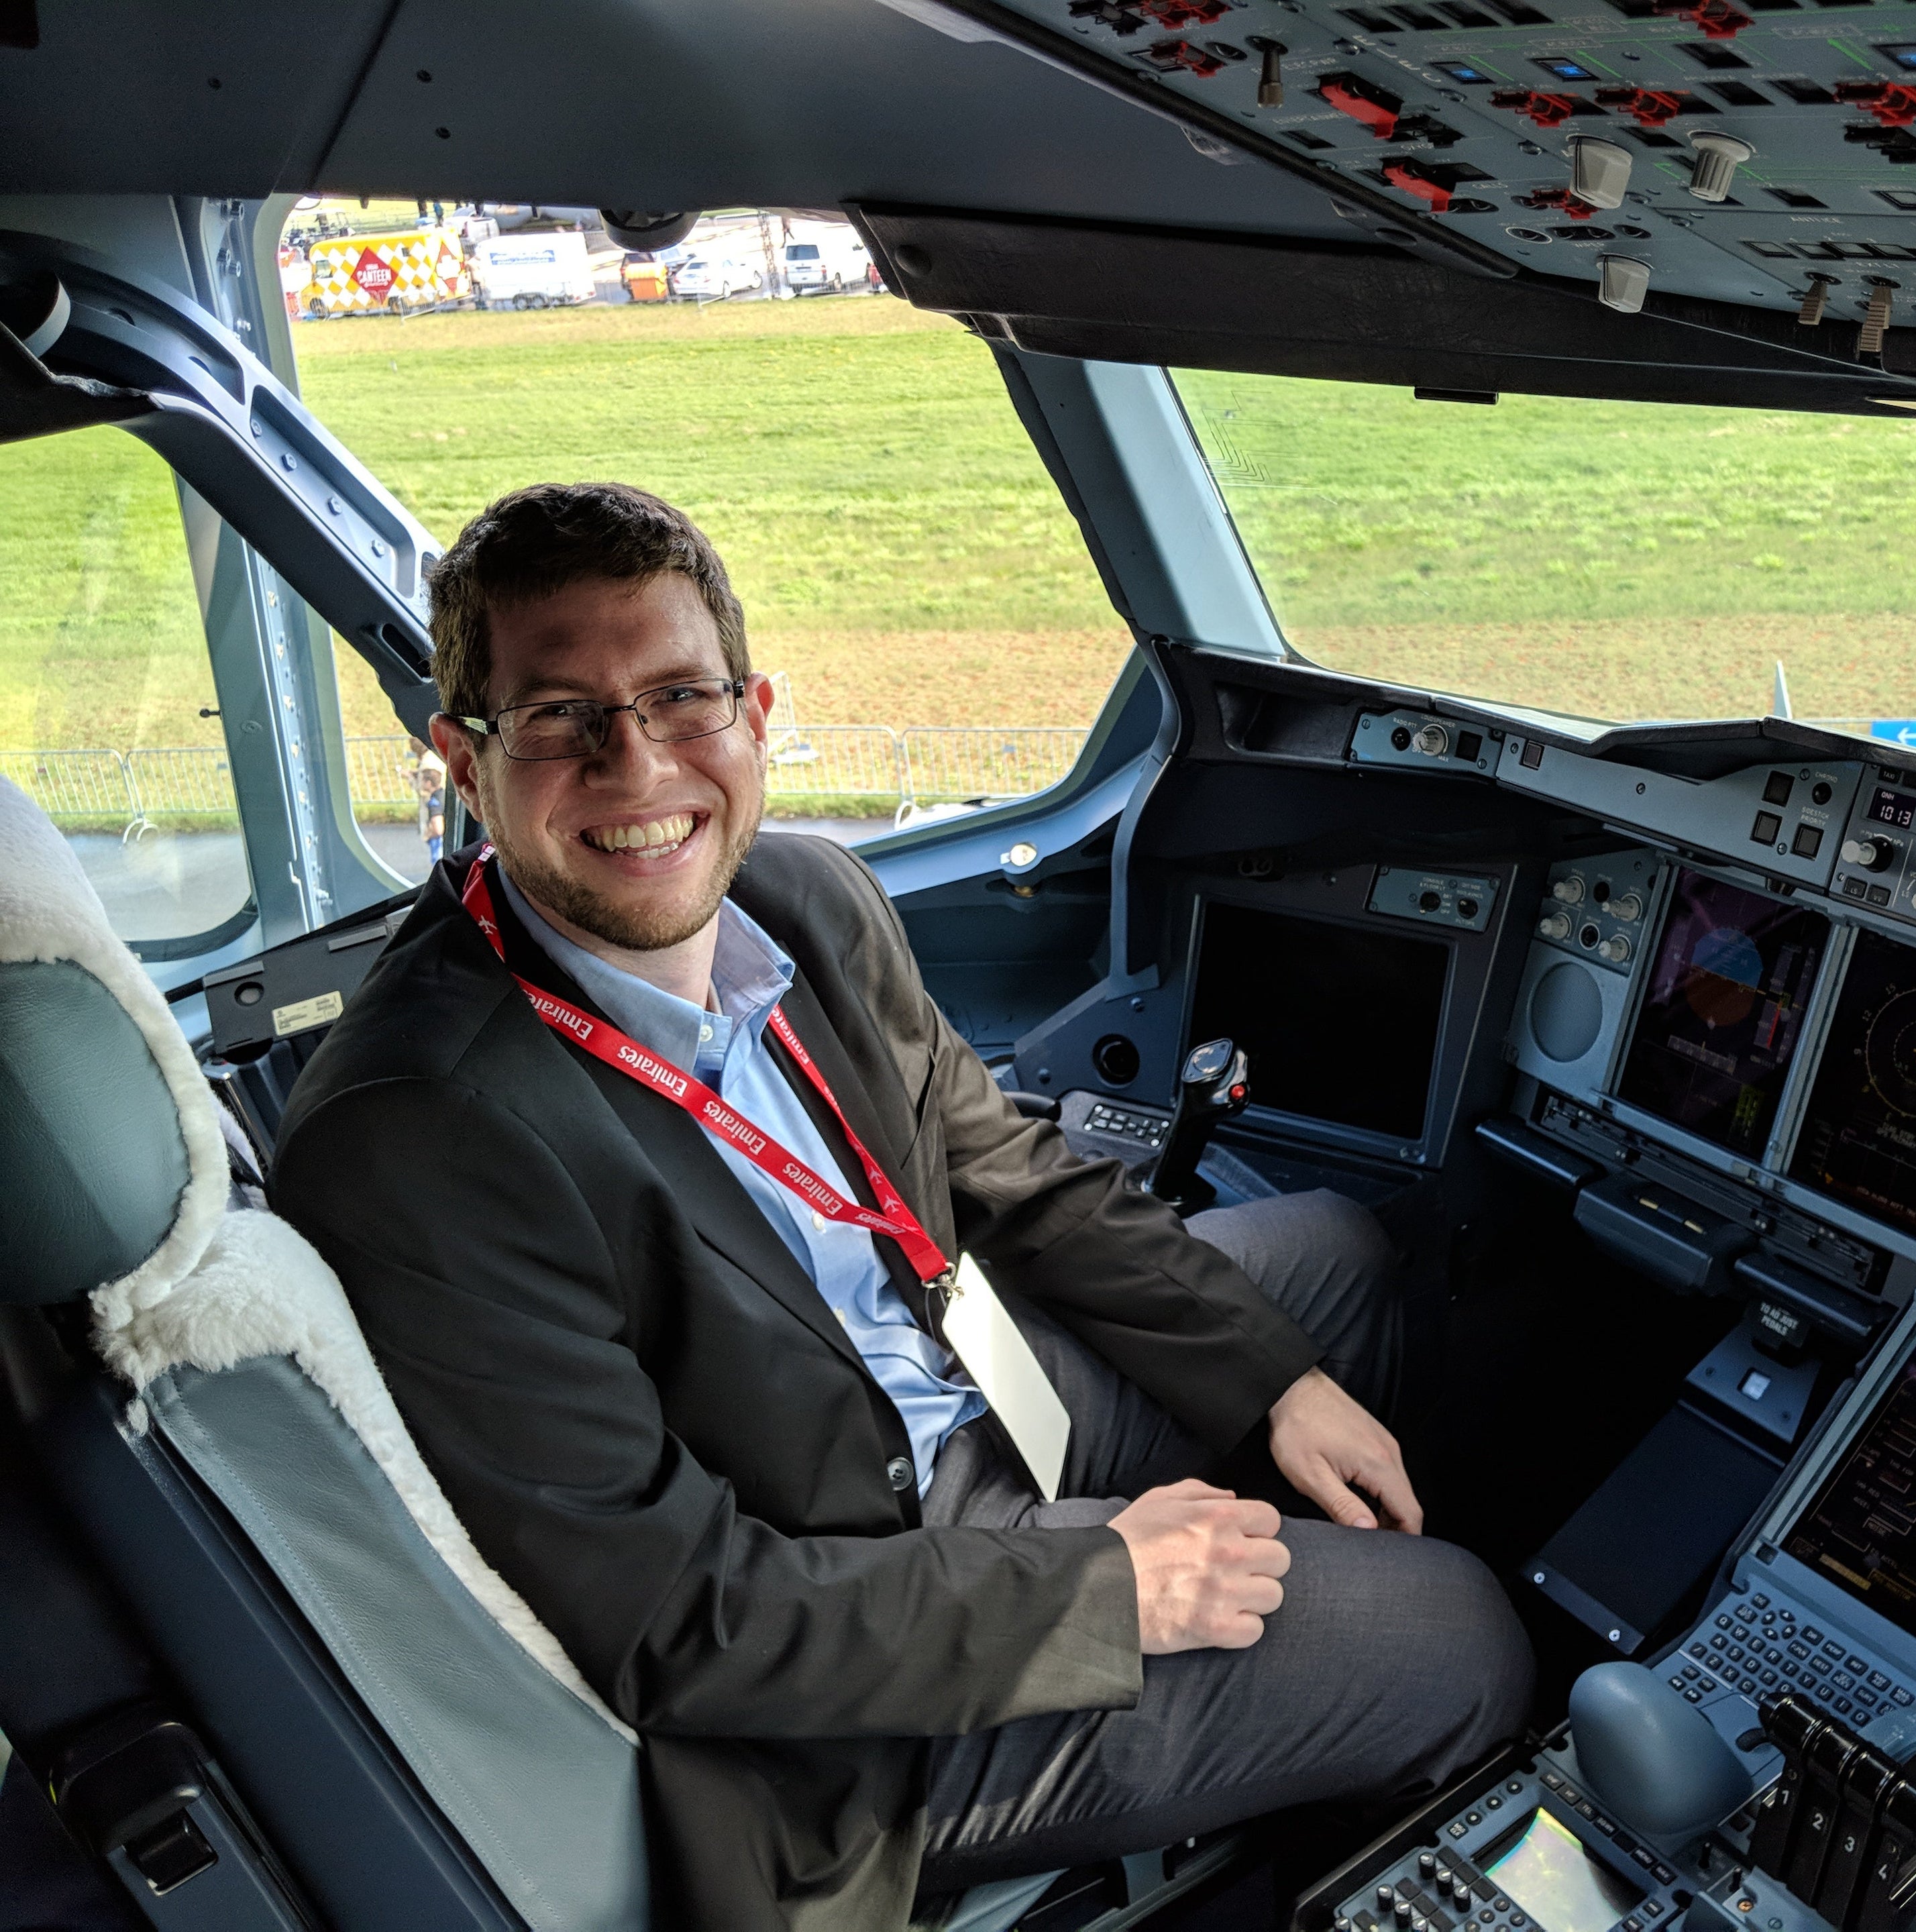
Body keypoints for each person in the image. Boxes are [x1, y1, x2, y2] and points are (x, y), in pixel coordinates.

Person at [270, 483, 1530, 1929]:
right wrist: (1112, 1597)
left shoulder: (807, 901)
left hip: (951, 1397)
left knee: (1347, 1266)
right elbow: (684, 1622)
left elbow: (1016, 1179)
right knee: (1463, 1640)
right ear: (463, 761)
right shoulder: (421, 1136)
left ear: (755, 712)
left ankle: (1319, 1622)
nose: (637, 763)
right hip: (841, 1657)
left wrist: (1276, 1379)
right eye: (560, 716)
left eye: (680, 696)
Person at [411, 734, 446, 862]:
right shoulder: (434, 757)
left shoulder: (427, 763)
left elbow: (437, 827)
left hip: (432, 807)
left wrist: (429, 833)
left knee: (438, 856)